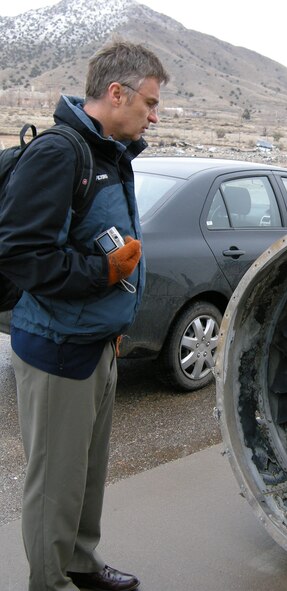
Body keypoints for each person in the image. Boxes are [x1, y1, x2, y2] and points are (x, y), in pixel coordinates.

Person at [0, 41, 169, 591]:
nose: (154, 113)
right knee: (55, 483)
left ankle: (79, 564)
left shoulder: (110, 154)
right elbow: (23, 256)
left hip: (95, 342)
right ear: (115, 93)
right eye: (149, 101)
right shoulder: (60, 152)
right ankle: (49, 583)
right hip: (55, 349)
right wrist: (105, 274)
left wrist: (112, 320)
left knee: (86, 479)